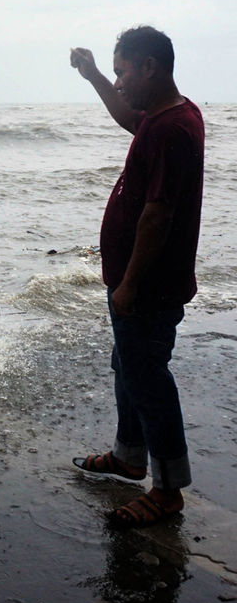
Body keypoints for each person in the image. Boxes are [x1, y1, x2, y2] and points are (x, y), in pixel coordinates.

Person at [68, 26, 205, 528]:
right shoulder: (163, 117)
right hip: (136, 280)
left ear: (150, 66)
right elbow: (128, 117)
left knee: (148, 378)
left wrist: (129, 284)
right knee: (128, 366)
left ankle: (168, 491)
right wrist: (94, 76)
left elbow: (158, 214)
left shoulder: (174, 129)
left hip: (148, 284)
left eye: (123, 71)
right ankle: (129, 456)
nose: (120, 82)